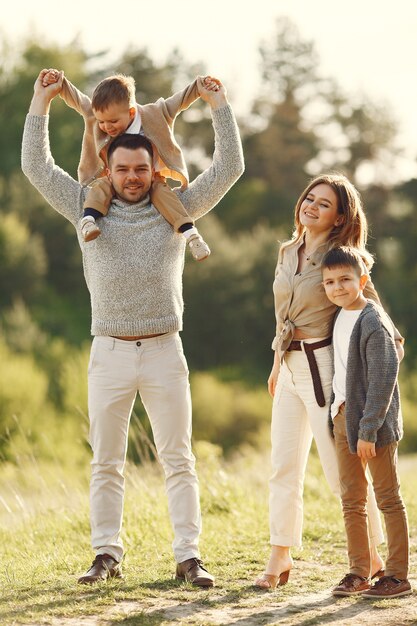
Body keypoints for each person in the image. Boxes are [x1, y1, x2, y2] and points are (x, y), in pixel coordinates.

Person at [22, 69, 244, 586]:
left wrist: (220, 106)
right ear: (108, 166)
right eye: (122, 169)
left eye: (141, 169)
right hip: (110, 353)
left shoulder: (178, 207)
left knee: (178, 458)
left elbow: (229, 167)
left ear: (155, 170)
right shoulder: (84, 207)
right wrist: (40, 100)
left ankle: (189, 557)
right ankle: (106, 556)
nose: (132, 177)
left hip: (166, 350)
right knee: (106, 461)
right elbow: (36, 164)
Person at [254, 174, 405, 589]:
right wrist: (275, 364)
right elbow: (283, 313)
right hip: (286, 365)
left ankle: (373, 556)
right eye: (309, 197)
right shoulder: (287, 250)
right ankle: (279, 555)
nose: (312, 206)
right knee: (283, 465)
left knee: (342, 474)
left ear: (340, 217)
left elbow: (374, 313)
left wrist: (385, 351)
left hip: (325, 369)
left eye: (324, 203)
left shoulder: (343, 259)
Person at [41, 68, 217, 261]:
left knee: (165, 196)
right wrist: (59, 82)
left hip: (150, 178)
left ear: (131, 112)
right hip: (113, 177)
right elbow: (77, 99)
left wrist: (200, 86)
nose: (107, 127)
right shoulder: (96, 116)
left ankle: (191, 235)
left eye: (113, 121)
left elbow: (180, 100)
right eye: (102, 122)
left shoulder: (154, 115)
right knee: (100, 188)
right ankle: (88, 220)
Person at [321, 246, 411, 599]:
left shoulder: (372, 321)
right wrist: (337, 418)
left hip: (373, 426)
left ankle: (398, 576)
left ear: (362, 280)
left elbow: (383, 378)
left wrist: (368, 429)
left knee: (388, 498)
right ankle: (359, 571)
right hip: (343, 417)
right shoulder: (339, 315)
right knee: (352, 499)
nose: (337, 287)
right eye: (329, 281)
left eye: (345, 279)